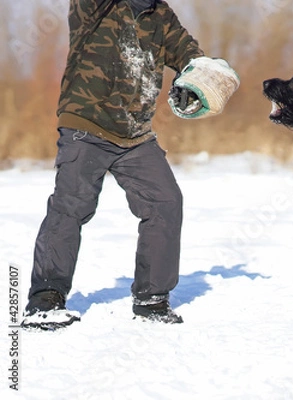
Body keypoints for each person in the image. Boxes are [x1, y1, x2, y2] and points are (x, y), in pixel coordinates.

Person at [22, 0, 231, 329]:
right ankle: (45, 300)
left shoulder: (160, 14)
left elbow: (189, 55)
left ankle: (152, 300)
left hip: (135, 135)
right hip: (87, 124)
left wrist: (200, 80)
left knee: (165, 202)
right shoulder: (96, 6)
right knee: (70, 207)